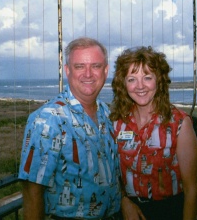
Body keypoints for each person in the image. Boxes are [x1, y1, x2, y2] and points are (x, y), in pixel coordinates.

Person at [18, 37, 122, 219]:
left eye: (96, 66)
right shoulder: (47, 119)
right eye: (79, 66)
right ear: (67, 71)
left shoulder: (106, 112)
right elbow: (31, 191)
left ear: (105, 71)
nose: (88, 74)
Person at [110, 46, 197, 220]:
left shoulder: (179, 124)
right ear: (123, 84)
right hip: (127, 213)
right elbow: (111, 173)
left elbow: (191, 190)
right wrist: (124, 201)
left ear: (159, 81)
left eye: (147, 77)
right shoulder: (116, 123)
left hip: (169, 212)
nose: (140, 86)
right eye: (132, 79)